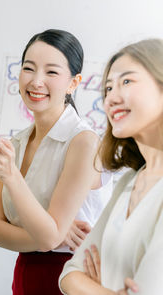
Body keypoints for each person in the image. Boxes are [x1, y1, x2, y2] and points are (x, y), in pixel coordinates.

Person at [0, 29, 110, 295]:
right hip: (26, 273)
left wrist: (49, 234)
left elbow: (48, 237)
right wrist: (50, 233)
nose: (36, 81)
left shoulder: (83, 141)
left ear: (73, 83)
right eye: (28, 68)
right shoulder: (17, 142)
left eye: (51, 72)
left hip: (71, 277)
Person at [59, 38, 163, 295]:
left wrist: (97, 286)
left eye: (126, 81)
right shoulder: (130, 181)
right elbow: (69, 274)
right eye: (107, 88)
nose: (111, 98)